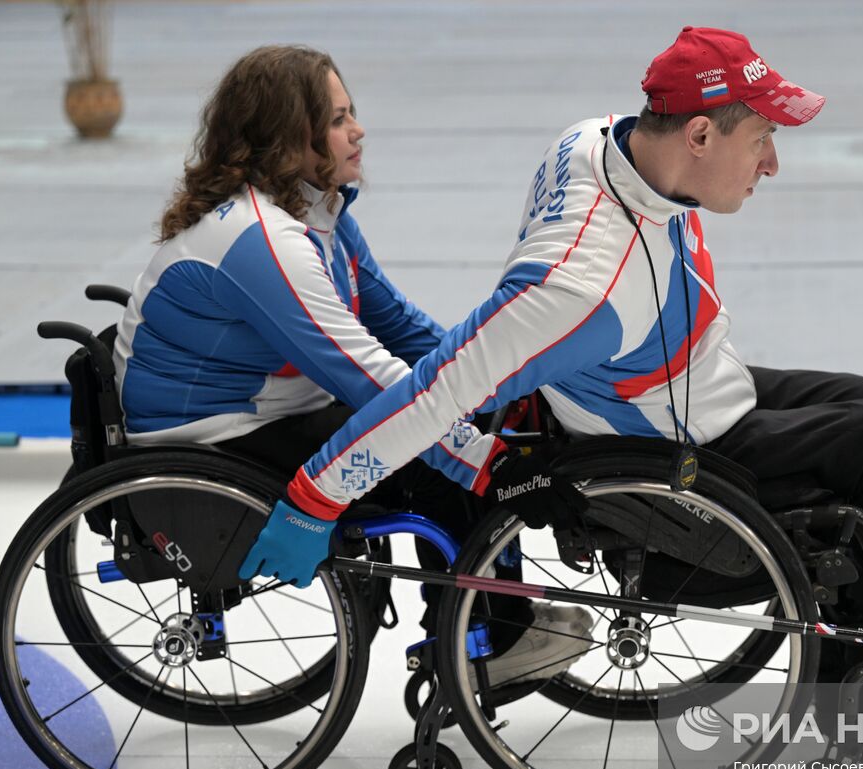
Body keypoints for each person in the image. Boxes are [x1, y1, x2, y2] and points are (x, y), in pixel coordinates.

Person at [238, 27, 863, 748]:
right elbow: (440, 391)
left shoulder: (595, 140)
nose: (773, 164)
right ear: (701, 134)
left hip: (698, 381)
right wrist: (317, 497)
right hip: (678, 457)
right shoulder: (582, 284)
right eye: (763, 140)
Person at [113, 44, 592, 685]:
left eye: (351, 112)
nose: (358, 130)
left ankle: (488, 621)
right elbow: (367, 376)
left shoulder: (317, 212)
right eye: (339, 120)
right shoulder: (261, 241)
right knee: (437, 463)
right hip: (210, 442)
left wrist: (501, 383)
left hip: (264, 413)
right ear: (289, 140)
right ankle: (490, 642)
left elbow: (399, 326)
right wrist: (486, 462)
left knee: (462, 425)